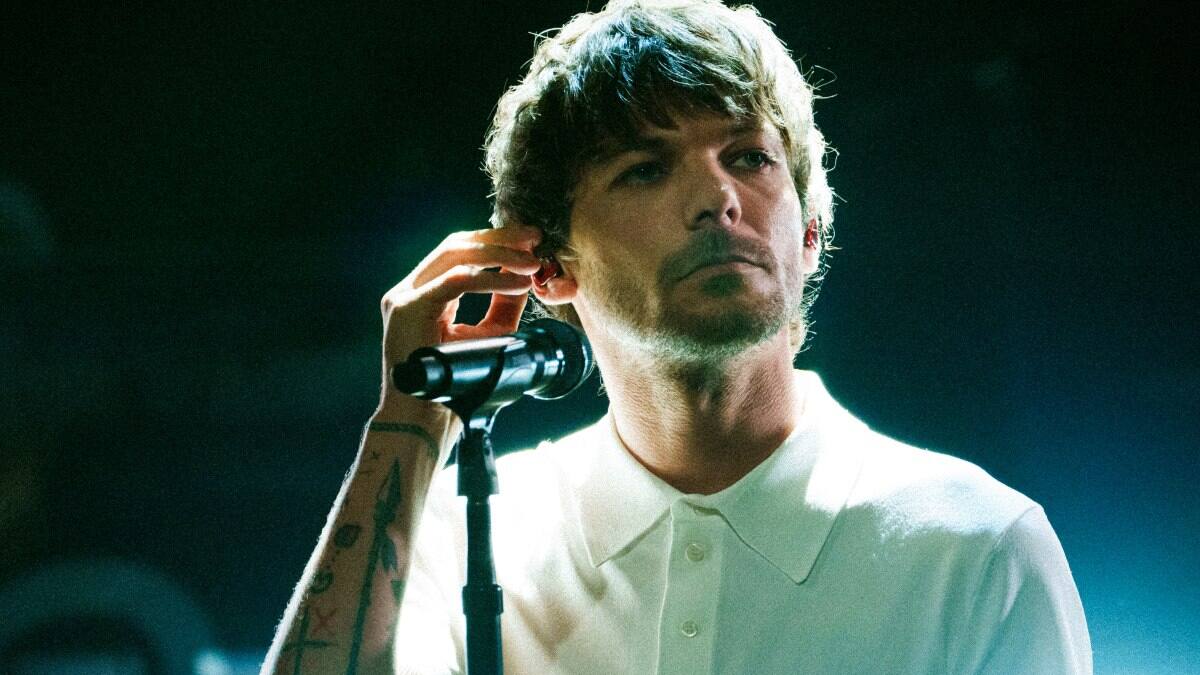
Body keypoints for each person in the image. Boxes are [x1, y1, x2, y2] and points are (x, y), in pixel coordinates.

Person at [263, 1, 1092, 673]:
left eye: (750, 158)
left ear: (809, 232)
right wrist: (410, 418)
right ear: (545, 265)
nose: (717, 198)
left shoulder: (980, 550)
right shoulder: (461, 532)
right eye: (646, 168)